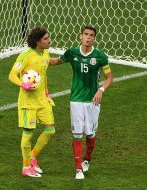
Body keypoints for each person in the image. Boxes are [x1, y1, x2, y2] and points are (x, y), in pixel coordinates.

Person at [50, 25, 113, 179]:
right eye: (86, 34)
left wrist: (101, 90)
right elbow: (56, 61)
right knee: (77, 134)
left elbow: (109, 77)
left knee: (90, 134)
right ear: (80, 36)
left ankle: (87, 159)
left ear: (94, 38)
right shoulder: (72, 52)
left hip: (93, 101)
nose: (88, 37)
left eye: (91, 35)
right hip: (76, 100)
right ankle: (78, 168)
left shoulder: (100, 56)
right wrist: (38, 57)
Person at [9, 27, 55, 178]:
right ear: (37, 41)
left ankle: (33, 156)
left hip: (42, 99)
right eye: (46, 39)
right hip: (28, 102)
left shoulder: (46, 53)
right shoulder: (25, 56)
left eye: (48, 38)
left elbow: (44, 74)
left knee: (50, 130)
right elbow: (12, 75)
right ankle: (26, 166)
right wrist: (23, 84)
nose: (49, 41)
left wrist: (47, 93)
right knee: (28, 134)